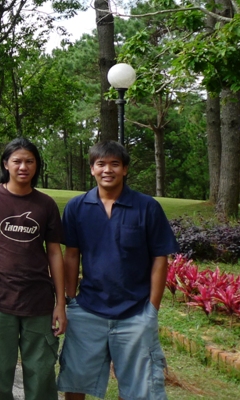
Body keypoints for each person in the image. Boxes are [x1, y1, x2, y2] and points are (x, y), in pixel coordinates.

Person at [56, 141, 179, 400]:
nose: (107, 170)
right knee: (76, 379)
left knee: (137, 388)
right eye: (100, 164)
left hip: (135, 312)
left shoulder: (147, 207)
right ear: (92, 169)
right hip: (88, 309)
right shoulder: (77, 207)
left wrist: (152, 309)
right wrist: (70, 299)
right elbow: (71, 254)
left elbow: (160, 258)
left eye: (115, 164)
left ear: (125, 169)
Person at [0, 137, 66, 400]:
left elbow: (54, 253)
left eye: (30, 161)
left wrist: (60, 303)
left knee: (41, 375)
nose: (23, 167)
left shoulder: (46, 204)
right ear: (6, 164)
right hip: (0, 299)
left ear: (37, 165)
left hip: (39, 302)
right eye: (17, 161)